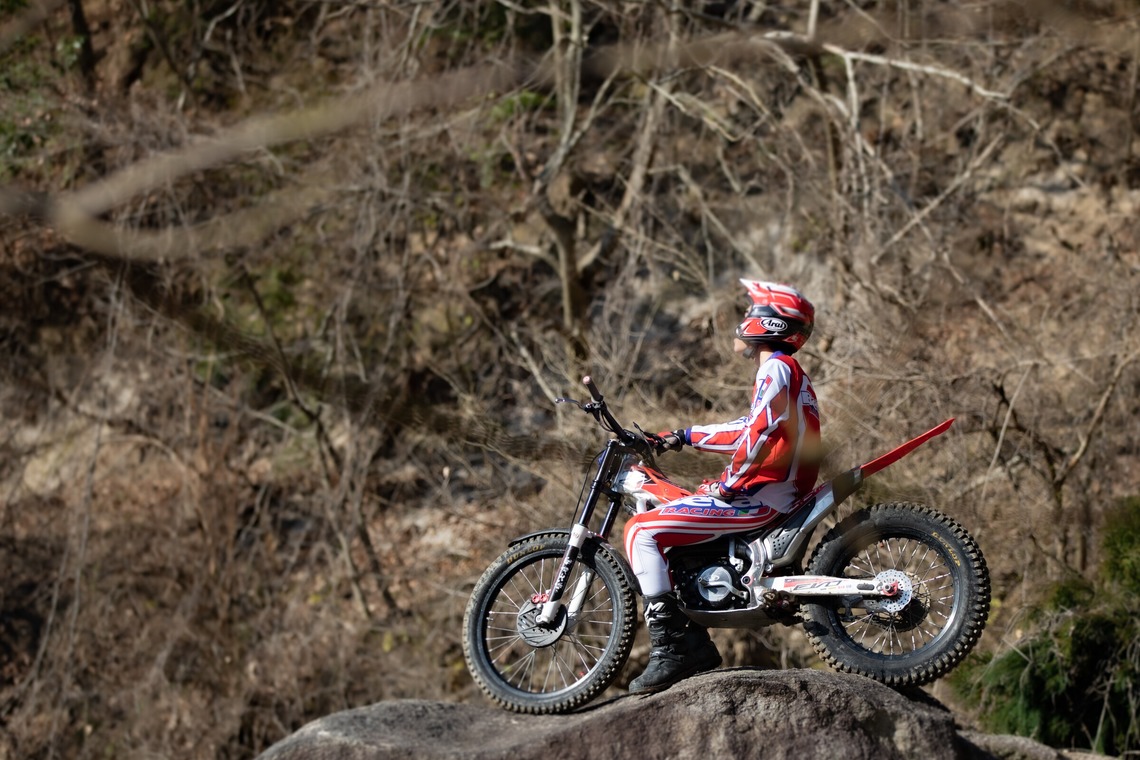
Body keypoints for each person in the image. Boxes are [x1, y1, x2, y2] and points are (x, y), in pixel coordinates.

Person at [622, 279, 822, 694]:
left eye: (752, 311)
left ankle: (674, 648)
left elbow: (761, 435)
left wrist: (729, 487)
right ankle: (690, 635)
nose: (743, 320)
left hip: (764, 496)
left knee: (641, 532)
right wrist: (684, 435)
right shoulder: (784, 371)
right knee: (675, 516)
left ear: (769, 322)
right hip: (776, 490)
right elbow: (751, 429)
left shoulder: (776, 368)